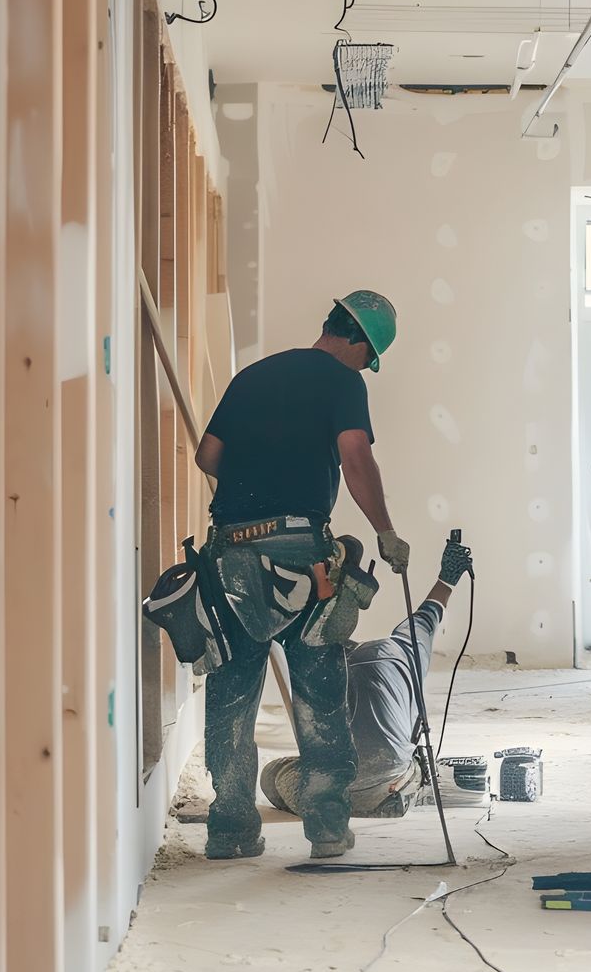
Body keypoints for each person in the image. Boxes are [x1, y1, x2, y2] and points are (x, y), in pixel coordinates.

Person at [194, 289, 410, 861]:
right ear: (359, 343)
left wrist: (256, 471)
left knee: (232, 692)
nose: (367, 368)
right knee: (318, 692)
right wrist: (385, 530)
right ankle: (326, 829)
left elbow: (207, 457)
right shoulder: (344, 382)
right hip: (301, 556)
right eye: (370, 357)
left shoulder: (253, 375)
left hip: (230, 555)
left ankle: (232, 830)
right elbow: (356, 457)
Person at [260, 537, 475, 820]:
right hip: (389, 780)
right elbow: (430, 610)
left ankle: (341, 803)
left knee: (271, 775)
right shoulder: (406, 648)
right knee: (410, 759)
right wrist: (448, 577)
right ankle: (397, 791)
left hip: (329, 787)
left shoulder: (332, 663)